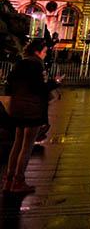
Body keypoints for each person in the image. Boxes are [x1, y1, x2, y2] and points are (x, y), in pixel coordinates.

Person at [5, 39, 62, 193]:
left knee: (17, 144)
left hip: (18, 108)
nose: (45, 55)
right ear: (37, 52)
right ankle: (18, 180)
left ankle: (8, 180)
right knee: (27, 146)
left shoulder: (20, 64)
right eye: (44, 52)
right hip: (32, 109)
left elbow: (8, 84)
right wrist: (55, 82)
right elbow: (39, 88)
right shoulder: (36, 65)